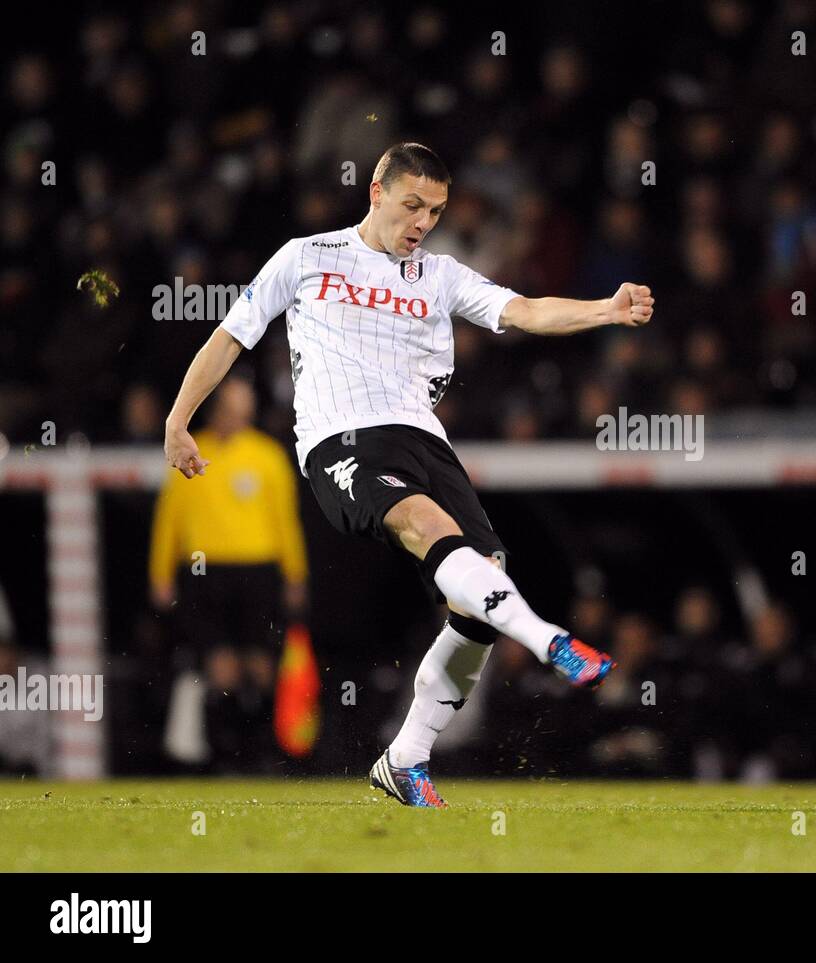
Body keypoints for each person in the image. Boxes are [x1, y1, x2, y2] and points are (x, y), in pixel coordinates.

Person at [161, 143, 654, 807]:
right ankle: (549, 639)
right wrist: (178, 419)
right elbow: (230, 336)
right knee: (429, 528)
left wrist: (606, 309)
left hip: (425, 440)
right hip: (343, 440)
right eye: (413, 205)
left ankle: (405, 758)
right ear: (376, 192)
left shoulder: (442, 275)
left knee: (480, 586)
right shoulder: (307, 257)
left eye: (437, 210)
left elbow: (526, 310)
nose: (423, 221)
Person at [149, 373, 308, 772]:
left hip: (258, 572)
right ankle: (223, 758)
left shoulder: (267, 455)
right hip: (206, 574)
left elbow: (285, 520)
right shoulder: (190, 452)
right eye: (232, 408)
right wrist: (160, 573)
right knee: (220, 667)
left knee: (262, 666)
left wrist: (295, 574)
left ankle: (265, 757)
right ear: (217, 408)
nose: (239, 417)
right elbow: (169, 519)